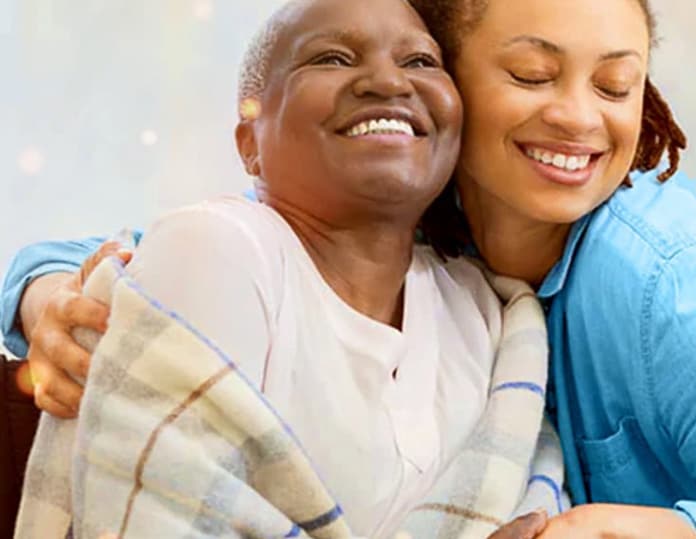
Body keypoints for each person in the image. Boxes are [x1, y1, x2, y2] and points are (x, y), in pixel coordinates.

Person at [2, 0, 696, 537]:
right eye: (530, 73)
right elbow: (128, 250)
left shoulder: (672, 287)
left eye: (614, 85)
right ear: (451, 79)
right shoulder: (407, 215)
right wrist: (42, 294)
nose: (578, 118)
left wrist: (676, 529)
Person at [8, 1, 559, 537]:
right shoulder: (220, 248)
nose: (389, 82)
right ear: (250, 144)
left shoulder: (485, 308)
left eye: (420, 62)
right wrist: (40, 286)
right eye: (331, 58)